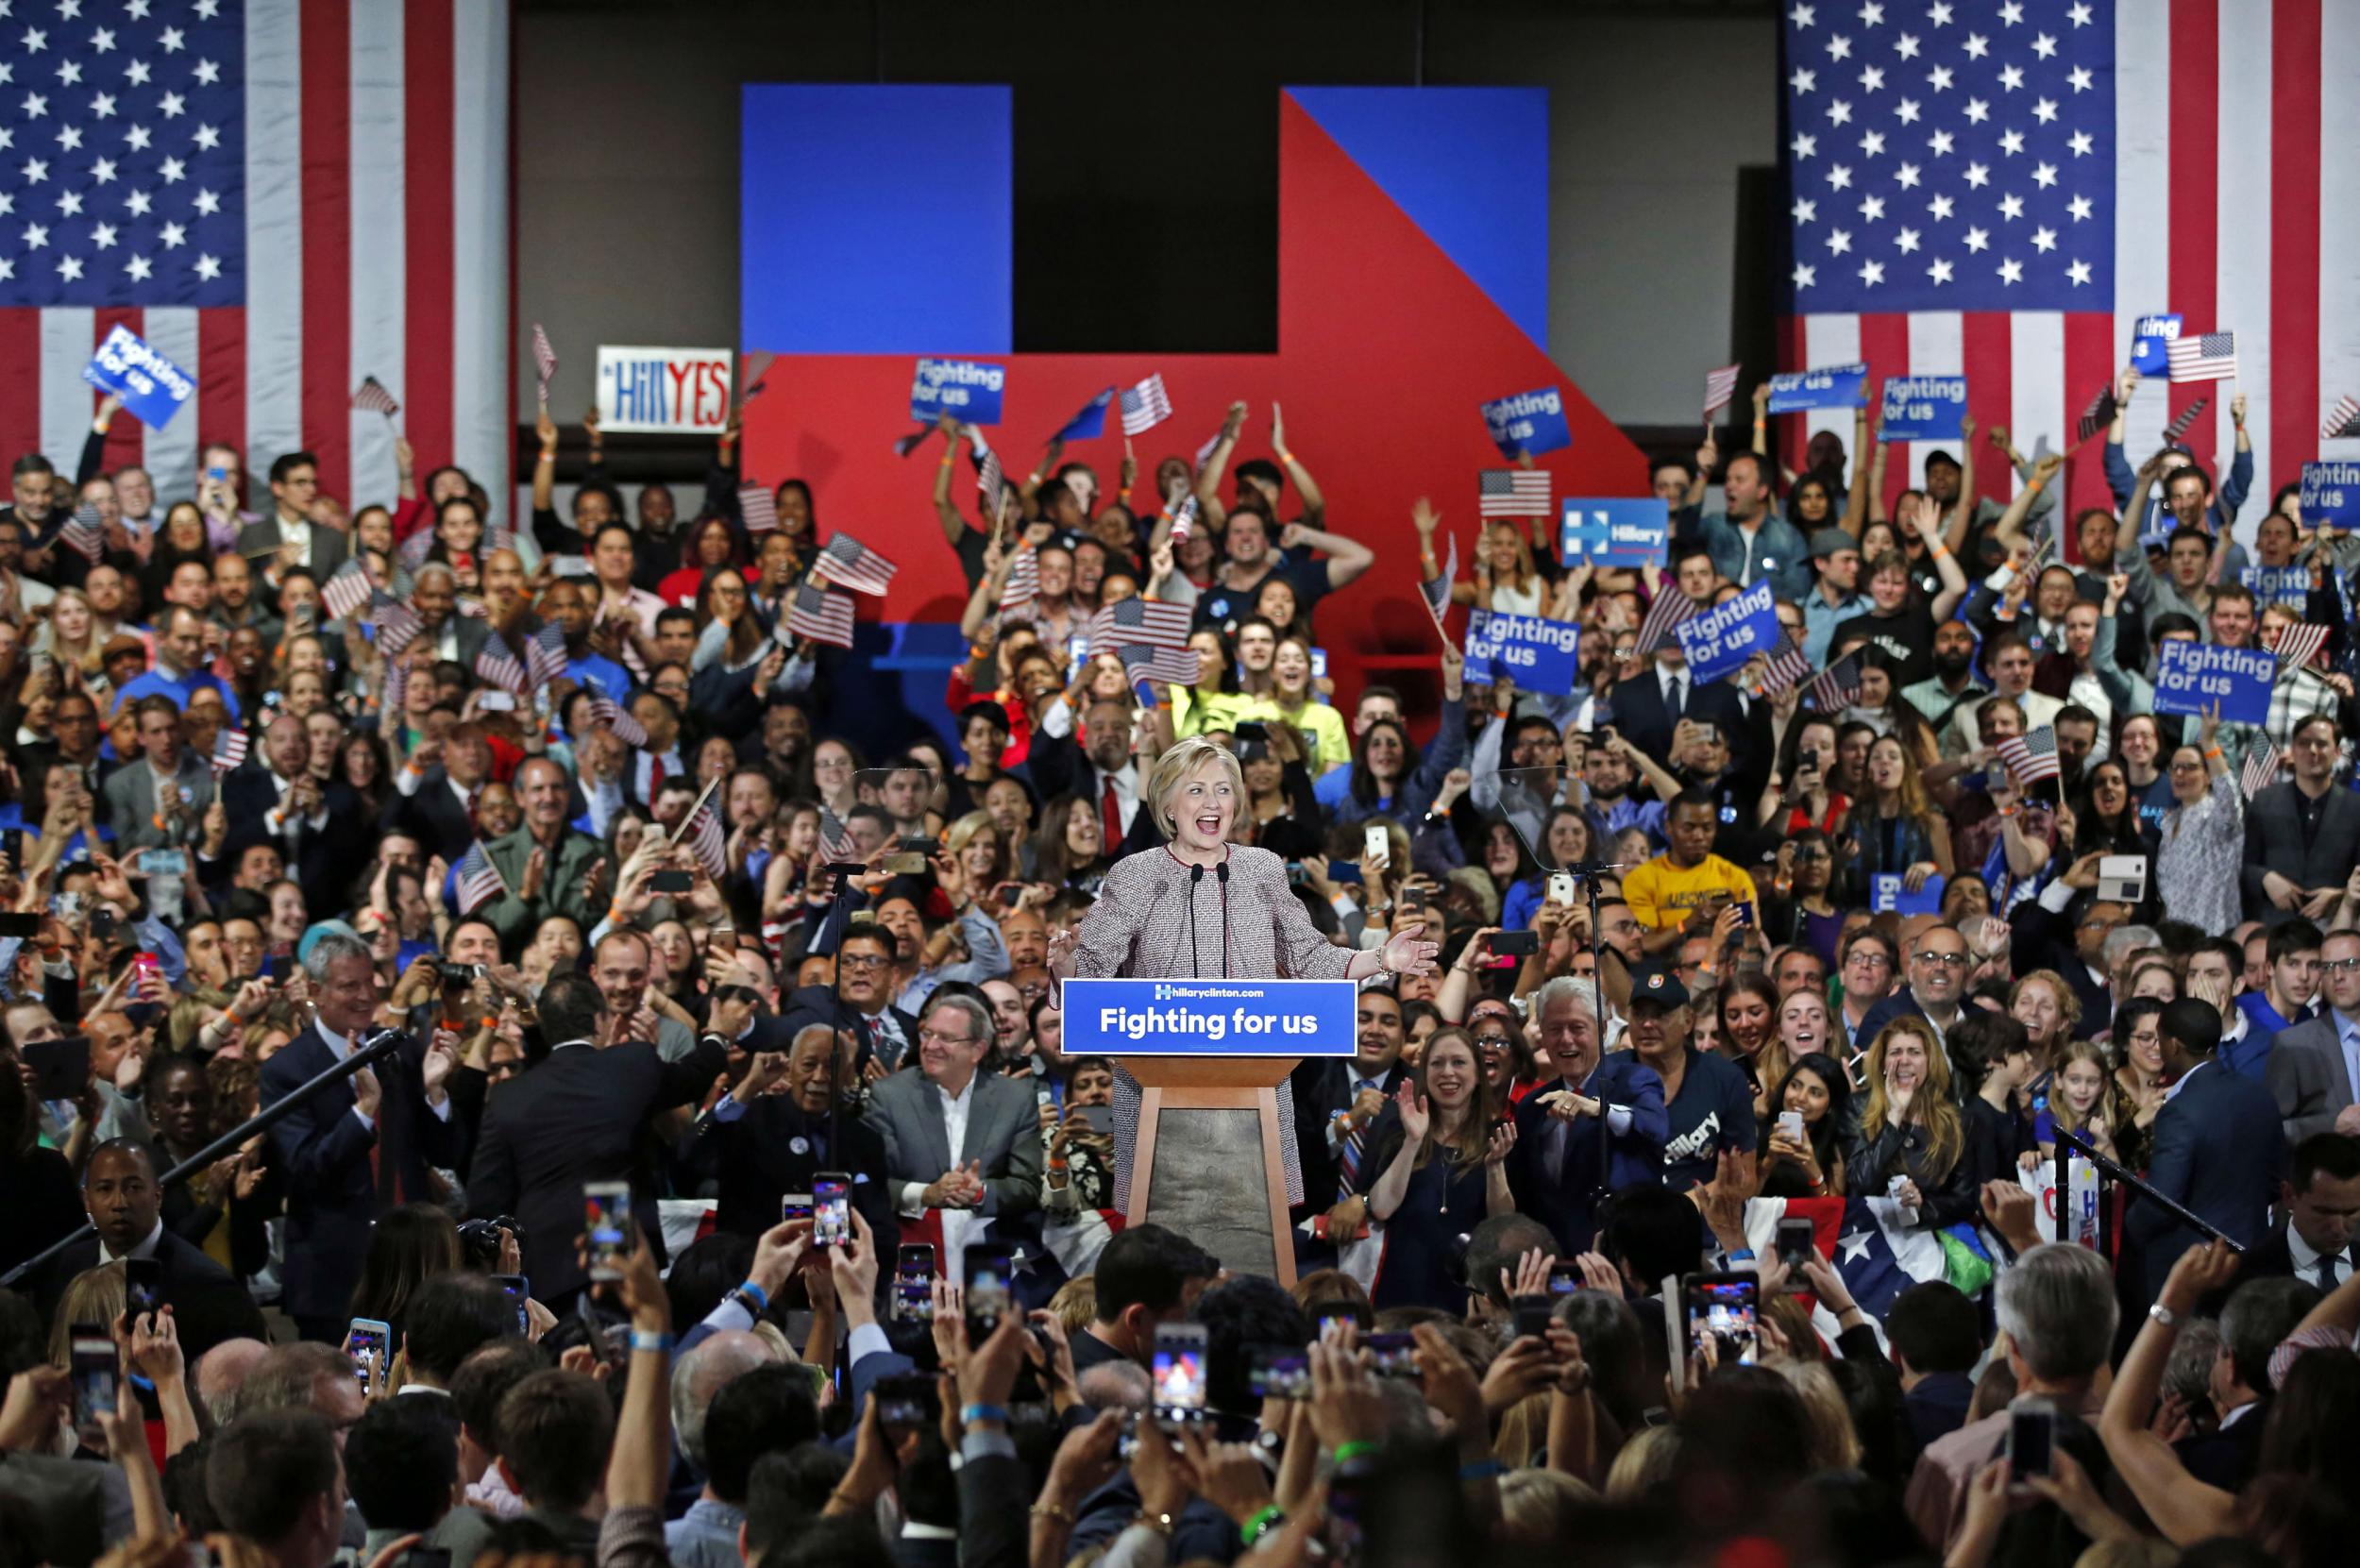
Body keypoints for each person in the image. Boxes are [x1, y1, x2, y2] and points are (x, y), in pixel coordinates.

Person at [465, 970, 725, 1304]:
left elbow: (486, 1198)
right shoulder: (631, 1062)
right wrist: (718, 1035)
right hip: (614, 1239)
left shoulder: (508, 1096)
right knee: (623, 1348)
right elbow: (697, 1075)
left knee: (559, 1352)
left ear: (544, 1028)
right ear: (600, 1019)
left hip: (546, 1261)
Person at [261, 933, 463, 1343]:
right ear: (315, 991)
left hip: (414, 1268)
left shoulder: (398, 1050)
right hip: (335, 1279)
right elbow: (305, 1169)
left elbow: (444, 1151)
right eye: (350, 985)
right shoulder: (287, 1069)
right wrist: (363, 1110)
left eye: (370, 982)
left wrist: (437, 1092)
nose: (366, 995)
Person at [29, 1138, 266, 1362]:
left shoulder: (208, 1284)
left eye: (133, 1187)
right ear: (87, 1200)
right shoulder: (66, 1269)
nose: (119, 1202)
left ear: (158, 1195)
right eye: (104, 1189)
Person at [862, 991, 1043, 1283]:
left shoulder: (1016, 1099)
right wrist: (925, 1193)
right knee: (917, 1326)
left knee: (986, 1326)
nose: (931, 1046)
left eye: (946, 1038)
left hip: (989, 1256)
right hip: (914, 1252)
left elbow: (1027, 1186)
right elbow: (873, 1181)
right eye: (928, 1034)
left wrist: (981, 1191)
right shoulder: (890, 1095)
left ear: (977, 1049)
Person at [2125, 1000, 2288, 1308]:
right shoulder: (2259, 1094)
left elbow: (2162, 1202)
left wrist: (2130, 1227)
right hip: (2252, 1256)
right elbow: (2276, 1181)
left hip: (2193, 1270)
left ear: (2173, 1045)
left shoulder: (2180, 1110)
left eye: (2159, 1039)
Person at [1505, 975, 1669, 1255]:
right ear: (1542, 1034)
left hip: (1624, 1256)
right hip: (1556, 1263)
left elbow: (1656, 1128)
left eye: (1577, 1028)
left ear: (1603, 1029)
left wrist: (1597, 1108)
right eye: (1554, 1029)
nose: (1566, 1039)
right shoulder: (1533, 1105)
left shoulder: (1634, 1080)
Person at [700, 1020, 895, 1249]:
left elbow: (881, 1228)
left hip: (835, 1270)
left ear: (846, 1076)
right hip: (755, 1268)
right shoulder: (752, 1118)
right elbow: (695, 1160)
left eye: (832, 1067)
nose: (820, 1076)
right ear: (790, 1069)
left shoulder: (864, 1140)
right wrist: (749, 1086)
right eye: (809, 1064)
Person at [1359, 1026, 1514, 1310]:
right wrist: (1413, 1141)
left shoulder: (1499, 1137)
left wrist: (1494, 1168)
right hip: (1402, 1288)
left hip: (1470, 1293)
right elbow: (1381, 1208)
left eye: (1459, 1062)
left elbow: (1502, 1226)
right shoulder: (1399, 1130)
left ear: (1478, 1075)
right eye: (1437, 1063)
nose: (1447, 1072)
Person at [2267, 927, 2360, 1144]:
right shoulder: (2293, 1044)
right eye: (2327, 967)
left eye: (2350, 965)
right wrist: (2332, 1126)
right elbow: (2272, 1129)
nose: (2337, 976)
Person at [2237, 1132, 2360, 1289]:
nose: (2338, 1228)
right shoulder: (2245, 1277)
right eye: (2323, 1212)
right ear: (2289, 1196)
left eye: (2350, 1212)